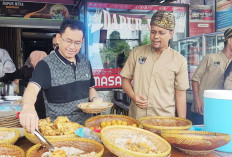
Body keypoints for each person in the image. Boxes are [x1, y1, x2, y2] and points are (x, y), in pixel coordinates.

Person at [19, 19, 101, 134]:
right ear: (58, 38)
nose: (72, 47)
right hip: (60, 132)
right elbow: (32, 88)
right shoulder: (46, 64)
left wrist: (95, 100)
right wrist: (28, 106)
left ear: (82, 41)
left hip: (86, 129)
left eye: (77, 43)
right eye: (68, 41)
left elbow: (90, 88)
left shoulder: (85, 61)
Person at [120, 10, 189, 120]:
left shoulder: (179, 61)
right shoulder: (137, 53)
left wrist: (182, 123)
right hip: (138, 119)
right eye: (153, 32)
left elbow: (180, 94)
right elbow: (125, 80)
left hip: (164, 121)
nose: (156, 36)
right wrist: (133, 96)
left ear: (171, 34)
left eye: (161, 33)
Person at [191, 27, 232, 125]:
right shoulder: (210, 58)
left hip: (220, 110)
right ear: (229, 40)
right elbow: (195, 79)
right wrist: (197, 100)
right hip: (202, 108)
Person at [14, 51, 47, 119]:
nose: (30, 60)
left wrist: (21, 82)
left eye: (31, 58)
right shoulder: (32, 67)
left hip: (41, 98)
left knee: (40, 117)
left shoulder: (42, 70)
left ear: (36, 58)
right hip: (38, 97)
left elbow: (37, 84)